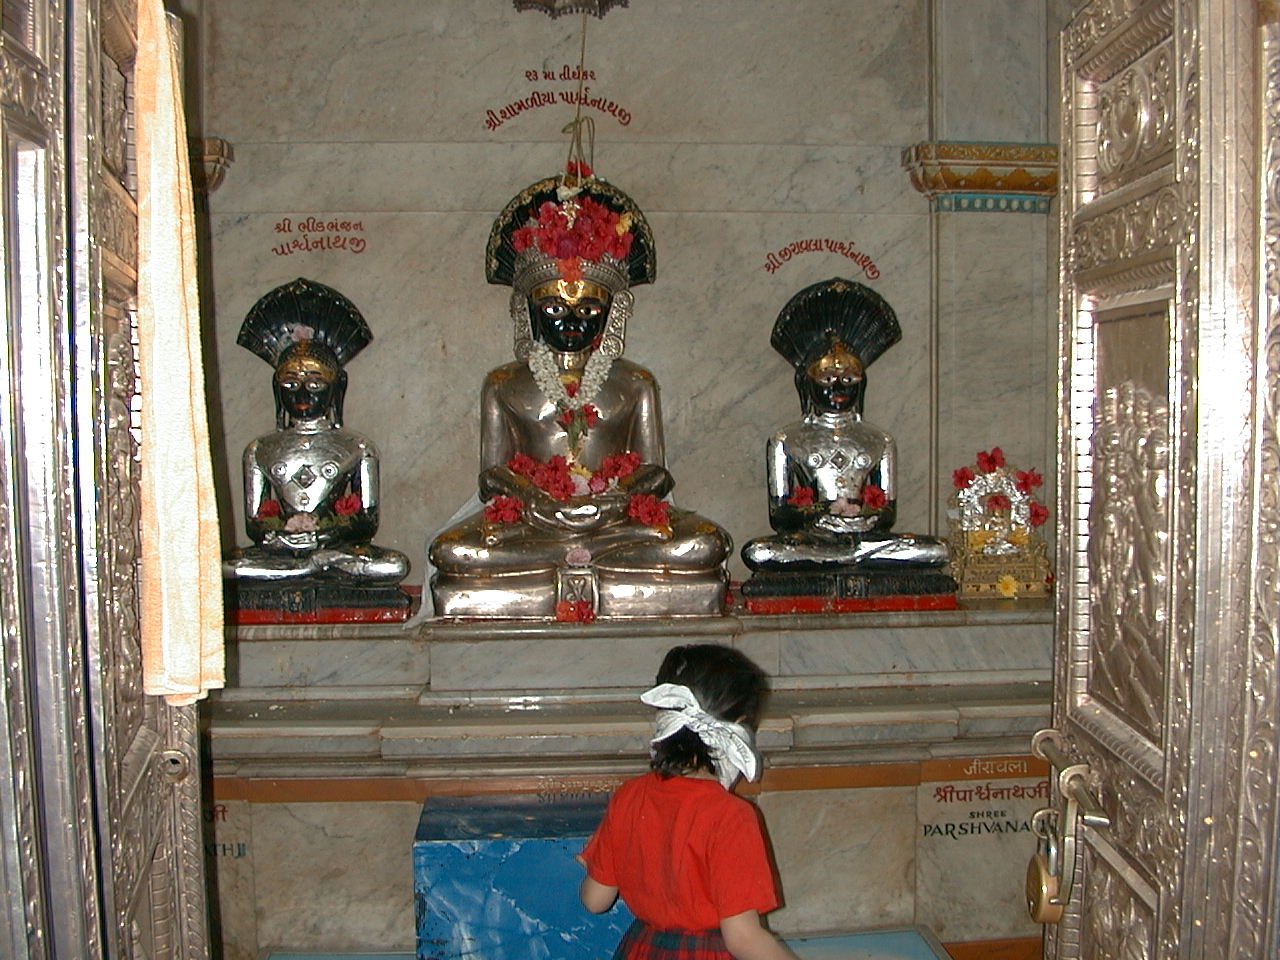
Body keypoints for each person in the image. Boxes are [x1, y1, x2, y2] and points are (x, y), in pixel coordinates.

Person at [428, 168, 730, 619]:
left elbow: (655, 471)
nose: (571, 320)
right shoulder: (504, 383)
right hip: (533, 522)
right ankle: (581, 570)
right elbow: (492, 475)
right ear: (527, 311)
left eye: (588, 308)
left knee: (706, 544)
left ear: (612, 313)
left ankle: (584, 569)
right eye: (553, 308)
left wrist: (613, 498)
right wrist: (535, 500)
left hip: (617, 521)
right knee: (452, 552)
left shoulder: (635, 382)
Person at [578, 644, 800, 960]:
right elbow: (743, 938)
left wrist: (594, 862)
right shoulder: (731, 816)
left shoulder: (630, 795)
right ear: (740, 723)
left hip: (644, 949)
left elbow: (595, 900)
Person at [741, 278, 949, 572]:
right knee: (760, 552)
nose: (838, 386)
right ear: (807, 384)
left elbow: (888, 512)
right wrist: (819, 516)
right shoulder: (787, 439)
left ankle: (846, 558)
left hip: (866, 537)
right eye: (827, 380)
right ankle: (847, 559)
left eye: (849, 380)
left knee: (934, 550)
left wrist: (863, 517)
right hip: (812, 539)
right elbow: (780, 515)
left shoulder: (880, 440)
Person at [224, 277, 409, 584]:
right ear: (276, 389)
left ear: (337, 388)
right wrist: (280, 536)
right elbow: (255, 522)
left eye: (315, 384)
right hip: (281, 549)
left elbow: (366, 520)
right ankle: (307, 567)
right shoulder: (259, 449)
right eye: (290, 384)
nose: (302, 395)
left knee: (392, 565)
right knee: (229, 566)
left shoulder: (358, 448)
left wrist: (325, 536)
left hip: (336, 549)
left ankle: (311, 564)